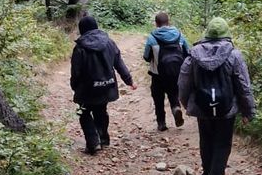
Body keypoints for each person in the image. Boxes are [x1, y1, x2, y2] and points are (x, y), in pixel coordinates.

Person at [178, 16, 255, 175]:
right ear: (226, 34)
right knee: (222, 144)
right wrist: (248, 111)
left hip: (202, 108)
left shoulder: (193, 55)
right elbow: (244, 86)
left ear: (207, 34)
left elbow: (183, 82)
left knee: (206, 141)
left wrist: (187, 103)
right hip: (227, 110)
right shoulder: (234, 55)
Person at [70, 14, 136, 154]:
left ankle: (93, 142)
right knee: (101, 111)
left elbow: (76, 71)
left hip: (87, 89)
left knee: (84, 112)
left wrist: (74, 86)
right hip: (106, 86)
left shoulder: (80, 48)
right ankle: (103, 138)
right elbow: (119, 63)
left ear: (82, 29)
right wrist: (129, 80)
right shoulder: (109, 43)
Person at [143, 10, 190, 132]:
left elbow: (146, 57)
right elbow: (188, 53)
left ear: (156, 23)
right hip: (176, 72)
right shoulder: (179, 35)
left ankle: (161, 123)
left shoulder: (152, 37)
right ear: (168, 22)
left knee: (158, 97)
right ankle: (176, 107)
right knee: (173, 93)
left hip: (158, 74)